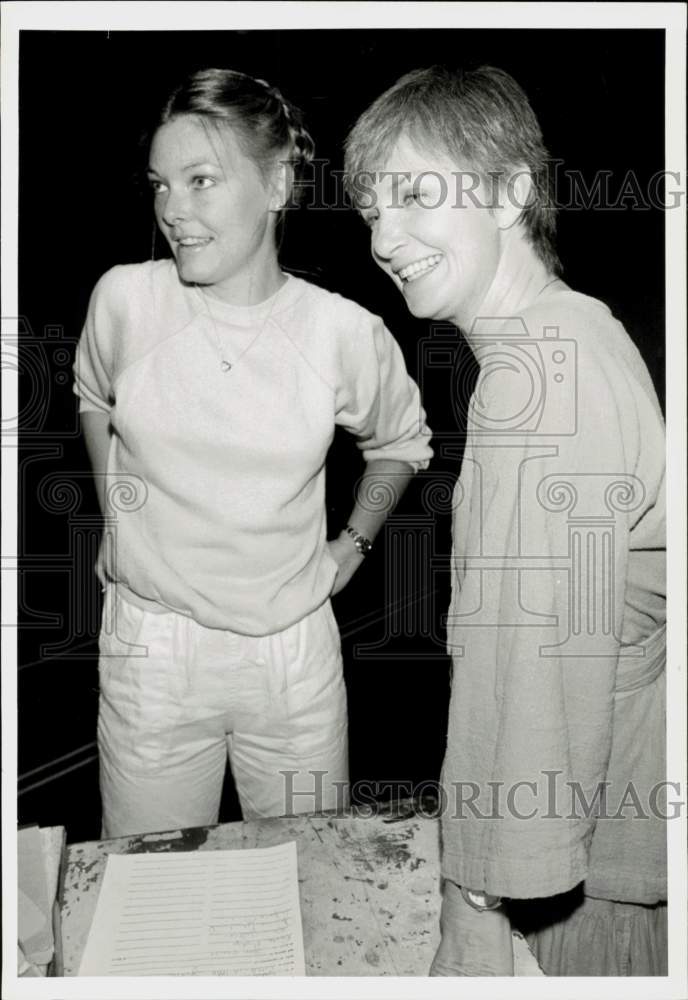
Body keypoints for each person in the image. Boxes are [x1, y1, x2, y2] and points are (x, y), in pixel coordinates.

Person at [344, 65, 666, 976]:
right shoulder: (567, 334)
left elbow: (534, 671)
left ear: (511, 192)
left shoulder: (540, 377)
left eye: (413, 195)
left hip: (595, 877)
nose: (385, 237)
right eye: (371, 209)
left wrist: (478, 901)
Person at [74, 68, 432, 839]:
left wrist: (353, 546)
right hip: (153, 649)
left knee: (308, 880)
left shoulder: (342, 332)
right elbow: (94, 401)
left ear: (276, 184)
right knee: (153, 888)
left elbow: (401, 444)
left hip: (292, 658)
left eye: (201, 180)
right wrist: (119, 514)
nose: (173, 209)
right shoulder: (125, 301)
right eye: (161, 184)